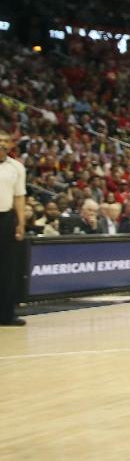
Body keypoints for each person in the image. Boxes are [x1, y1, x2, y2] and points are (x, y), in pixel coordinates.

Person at [0, 130, 27, 326]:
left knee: (7, 267)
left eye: (5, 141)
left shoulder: (16, 167)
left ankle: (6, 314)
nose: (2, 144)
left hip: (6, 218)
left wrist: (21, 223)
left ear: (10, 145)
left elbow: (19, 197)